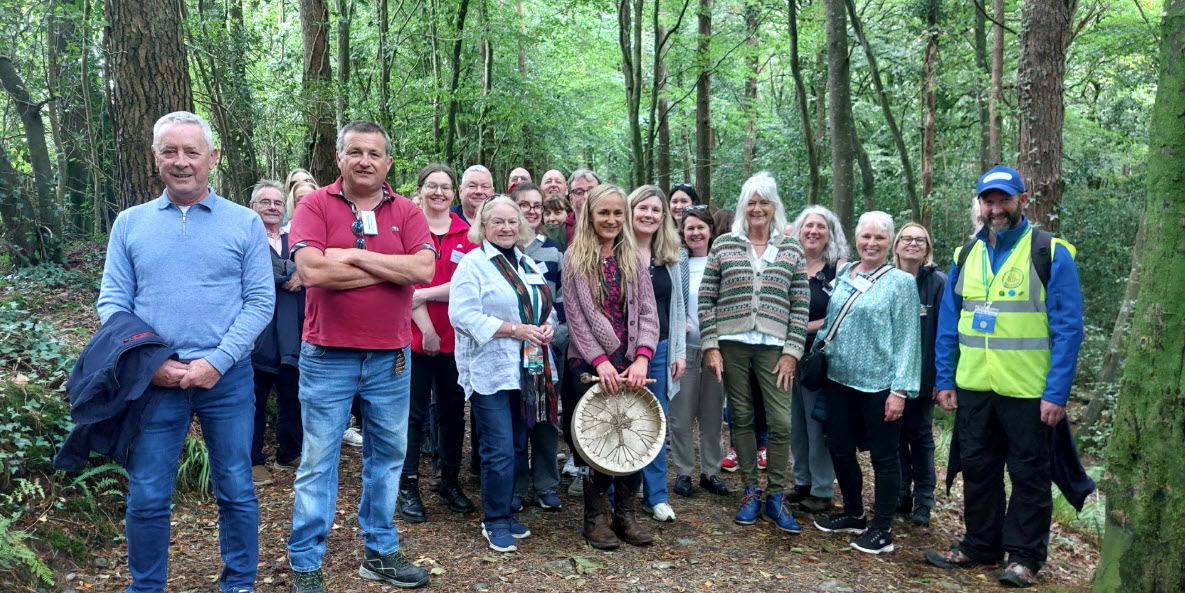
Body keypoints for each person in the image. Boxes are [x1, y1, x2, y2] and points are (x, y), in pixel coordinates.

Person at [97, 110, 273, 593]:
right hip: (154, 381)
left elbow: (260, 301)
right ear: (154, 158)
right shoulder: (129, 224)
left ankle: (239, 583)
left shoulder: (245, 223)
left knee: (236, 487)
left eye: (191, 151)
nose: (181, 162)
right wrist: (148, 364)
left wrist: (217, 361)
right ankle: (145, 587)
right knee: (148, 493)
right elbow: (113, 301)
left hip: (228, 378)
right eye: (169, 151)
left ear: (212, 158)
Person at [286, 120, 434, 592]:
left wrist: (349, 255)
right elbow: (311, 272)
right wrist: (393, 272)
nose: (365, 161)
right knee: (318, 460)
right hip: (327, 354)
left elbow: (424, 268)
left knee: (388, 456)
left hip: (390, 358)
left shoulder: (407, 211)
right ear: (340, 158)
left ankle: (380, 553)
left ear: (388, 161)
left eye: (374, 153)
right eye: (356, 152)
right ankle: (306, 564)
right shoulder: (313, 204)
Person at [924, 166, 1084, 588]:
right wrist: (945, 378)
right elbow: (948, 322)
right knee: (978, 468)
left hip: (1030, 392)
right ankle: (981, 544)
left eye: (1004, 200)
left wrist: (1057, 392)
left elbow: (1069, 329)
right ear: (980, 203)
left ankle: (1025, 556)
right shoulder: (966, 255)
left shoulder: (1050, 252)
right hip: (975, 386)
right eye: (988, 201)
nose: (996, 209)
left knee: (1030, 475)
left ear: (1022, 200)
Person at [698, 171, 809, 534]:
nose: (758, 208)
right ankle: (750, 490)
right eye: (752, 201)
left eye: (764, 202)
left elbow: (800, 303)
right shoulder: (725, 244)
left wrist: (793, 350)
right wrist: (711, 345)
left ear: (774, 206)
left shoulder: (791, 248)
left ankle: (776, 494)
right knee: (741, 417)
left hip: (774, 347)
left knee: (780, 421)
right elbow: (706, 298)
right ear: (743, 207)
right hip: (731, 344)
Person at [450, 196, 559, 553]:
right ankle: (494, 520)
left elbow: (546, 309)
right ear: (483, 226)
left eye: (512, 222)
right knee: (497, 448)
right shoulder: (473, 264)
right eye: (498, 222)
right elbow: (463, 316)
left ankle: (507, 512)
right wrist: (515, 329)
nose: (507, 228)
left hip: (527, 370)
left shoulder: (527, 262)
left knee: (515, 446)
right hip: (491, 371)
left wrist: (545, 329)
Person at [811, 211, 921, 555]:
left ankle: (882, 528)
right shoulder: (845, 272)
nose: (871, 243)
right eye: (866, 237)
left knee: (885, 458)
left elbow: (908, 340)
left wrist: (900, 390)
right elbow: (832, 321)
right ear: (856, 238)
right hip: (839, 379)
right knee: (840, 448)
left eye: (880, 238)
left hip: (879, 384)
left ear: (891, 243)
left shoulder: (902, 283)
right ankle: (854, 513)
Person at [562, 183, 658, 550]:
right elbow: (578, 321)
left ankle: (626, 516)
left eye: (618, 213)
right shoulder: (576, 259)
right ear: (590, 215)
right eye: (604, 212)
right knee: (601, 437)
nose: (612, 219)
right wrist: (600, 362)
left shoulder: (632, 258)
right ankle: (596, 518)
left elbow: (648, 312)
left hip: (632, 362)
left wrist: (643, 357)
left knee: (632, 435)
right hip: (591, 363)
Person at [399, 164, 478, 524]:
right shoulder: (406, 228)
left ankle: (448, 480)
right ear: (421, 189)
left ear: (454, 193)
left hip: (457, 341)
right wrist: (427, 327)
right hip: (410, 338)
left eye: (446, 187)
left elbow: (466, 285)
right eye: (432, 186)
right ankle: (408, 484)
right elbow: (402, 283)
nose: (439, 193)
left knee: (451, 413)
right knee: (412, 416)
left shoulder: (470, 234)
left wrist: (424, 295)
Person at [626, 185, 686, 523]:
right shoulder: (617, 251)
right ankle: (617, 489)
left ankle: (657, 495)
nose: (648, 215)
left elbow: (677, 306)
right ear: (631, 211)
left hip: (662, 349)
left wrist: (678, 351)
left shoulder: (670, 255)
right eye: (642, 208)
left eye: (655, 210)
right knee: (622, 418)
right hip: (625, 350)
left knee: (655, 421)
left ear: (663, 217)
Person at [786, 205, 847, 514]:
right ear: (798, 231)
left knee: (816, 422)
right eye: (808, 225)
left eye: (820, 226)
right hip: (787, 354)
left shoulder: (839, 268)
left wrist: (797, 327)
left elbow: (840, 315)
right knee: (795, 420)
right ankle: (803, 481)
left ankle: (823, 489)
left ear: (830, 233)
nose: (813, 231)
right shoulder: (789, 264)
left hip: (819, 357)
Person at [512, 182, 568, 510]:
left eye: (538, 205)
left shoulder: (553, 251)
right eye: (525, 204)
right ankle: (517, 486)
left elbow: (561, 301)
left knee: (545, 416)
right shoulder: (501, 249)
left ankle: (547, 483)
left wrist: (552, 332)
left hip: (543, 349)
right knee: (518, 417)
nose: (532, 211)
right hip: (511, 347)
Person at [668, 209, 729, 498]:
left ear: (710, 230)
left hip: (715, 349)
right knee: (680, 416)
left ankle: (711, 472)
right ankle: (683, 472)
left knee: (712, 415)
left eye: (701, 228)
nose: (695, 233)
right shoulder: (677, 262)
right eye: (689, 228)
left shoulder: (721, 261)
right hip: (684, 349)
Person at [249, 181, 306, 488]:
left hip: (293, 331)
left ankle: (289, 452)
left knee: (292, 394)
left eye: (277, 202)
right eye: (264, 202)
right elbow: (261, 269)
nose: (272, 207)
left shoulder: (294, 238)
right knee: (254, 400)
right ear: (252, 206)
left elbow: (315, 265)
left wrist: (305, 271)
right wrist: (296, 271)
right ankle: (253, 459)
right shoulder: (245, 236)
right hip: (258, 334)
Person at [892, 222, 945, 528]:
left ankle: (924, 500)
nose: (913, 244)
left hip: (925, 376)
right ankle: (901, 492)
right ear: (897, 245)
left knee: (921, 438)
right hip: (890, 375)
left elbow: (944, 331)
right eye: (907, 239)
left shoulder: (937, 282)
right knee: (895, 436)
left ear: (927, 249)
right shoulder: (887, 279)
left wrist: (942, 378)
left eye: (920, 240)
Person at [562, 168, 600, 244]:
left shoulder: (611, 228)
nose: (586, 196)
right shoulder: (559, 233)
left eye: (591, 191)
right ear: (571, 200)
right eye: (579, 192)